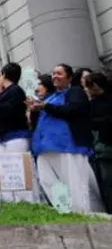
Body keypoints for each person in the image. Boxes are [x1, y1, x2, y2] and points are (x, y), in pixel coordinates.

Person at [29, 63, 103, 213]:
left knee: (74, 182)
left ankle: (82, 213)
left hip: (68, 145)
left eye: (59, 73)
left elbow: (73, 110)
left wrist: (45, 107)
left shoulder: (75, 92)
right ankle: (64, 210)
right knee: (47, 180)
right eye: (53, 73)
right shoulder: (51, 97)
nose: (55, 76)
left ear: (69, 78)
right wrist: (34, 109)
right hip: (45, 146)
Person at [84, 72, 112, 213]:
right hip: (100, 147)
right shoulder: (92, 103)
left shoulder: (100, 103)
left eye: (90, 86)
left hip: (105, 145)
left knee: (107, 182)